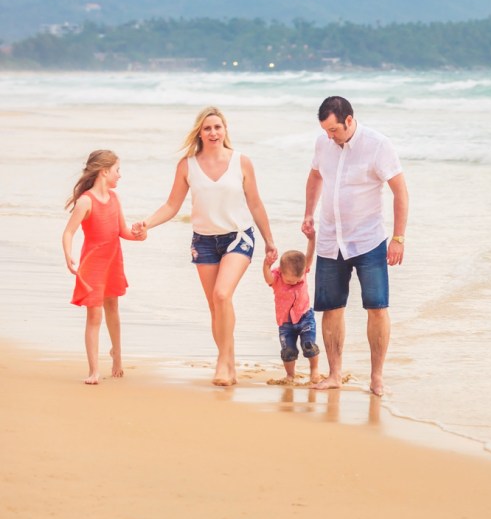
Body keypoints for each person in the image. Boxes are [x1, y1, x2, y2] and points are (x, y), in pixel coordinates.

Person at [134, 106, 278, 386]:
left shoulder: (242, 162)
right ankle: (229, 363)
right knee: (216, 306)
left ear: (225, 131)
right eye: (207, 128)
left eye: (217, 127)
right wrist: (147, 224)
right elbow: (172, 205)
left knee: (222, 295)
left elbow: (255, 203)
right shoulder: (187, 166)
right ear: (199, 132)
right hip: (204, 241)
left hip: (239, 236)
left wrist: (270, 240)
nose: (213, 132)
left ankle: (223, 362)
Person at [302, 96, 408, 396]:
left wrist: (398, 238)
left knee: (377, 308)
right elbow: (314, 176)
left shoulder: (378, 145)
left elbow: (400, 192)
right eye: (325, 130)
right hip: (329, 240)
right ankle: (335, 374)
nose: (329, 136)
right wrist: (308, 213)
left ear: (349, 120)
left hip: (368, 240)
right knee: (331, 309)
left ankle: (377, 378)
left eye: (334, 130)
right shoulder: (324, 144)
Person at [61, 149, 146, 384]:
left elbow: (123, 231)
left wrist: (139, 235)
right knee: (95, 315)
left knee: (113, 308)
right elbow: (69, 232)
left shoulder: (115, 199)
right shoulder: (86, 201)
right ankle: (94, 370)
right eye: (117, 170)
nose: (120, 175)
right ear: (104, 171)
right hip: (93, 266)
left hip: (113, 262)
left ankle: (117, 355)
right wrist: (68, 255)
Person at [262, 233, 322, 385]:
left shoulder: (302, 271)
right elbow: (268, 278)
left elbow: (309, 256)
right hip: (285, 322)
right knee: (288, 351)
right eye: (289, 280)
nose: (294, 282)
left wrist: (311, 239)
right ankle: (290, 375)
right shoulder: (276, 277)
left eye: (298, 279)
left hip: (305, 317)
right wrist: (266, 265)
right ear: (280, 272)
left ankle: (314, 370)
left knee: (309, 345)